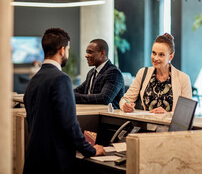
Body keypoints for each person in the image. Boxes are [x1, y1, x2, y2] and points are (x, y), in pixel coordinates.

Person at [23, 28, 105, 174]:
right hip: (54, 162)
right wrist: (90, 150)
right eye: (68, 49)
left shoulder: (34, 80)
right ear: (62, 50)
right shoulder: (61, 79)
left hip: (34, 159)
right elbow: (69, 125)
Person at [120, 33, 192, 114]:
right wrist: (125, 105)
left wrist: (167, 114)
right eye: (154, 53)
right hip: (145, 125)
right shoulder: (143, 73)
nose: (156, 58)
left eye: (161, 55)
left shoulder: (183, 79)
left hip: (169, 126)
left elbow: (186, 113)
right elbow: (124, 100)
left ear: (171, 57)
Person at [74, 39, 124, 109]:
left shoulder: (113, 72)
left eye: (90, 52)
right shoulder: (91, 72)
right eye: (87, 52)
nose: (86, 56)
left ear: (102, 53)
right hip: (91, 113)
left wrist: (75, 97)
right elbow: (79, 90)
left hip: (107, 117)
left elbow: (104, 98)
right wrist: (68, 93)